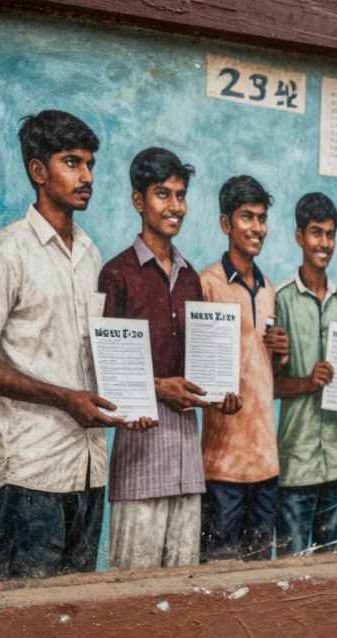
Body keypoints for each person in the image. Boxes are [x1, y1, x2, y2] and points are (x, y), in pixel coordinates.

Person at [0, 110, 122, 579]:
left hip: (90, 469)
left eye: (90, 164)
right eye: (72, 162)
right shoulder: (4, 252)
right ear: (38, 171)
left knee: (79, 620)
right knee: (27, 624)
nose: (87, 176)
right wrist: (62, 398)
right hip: (32, 473)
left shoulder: (93, 255)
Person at [99, 148, 241, 570]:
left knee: (182, 592)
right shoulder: (117, 274)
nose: (175, 206)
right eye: (163, 194)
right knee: (132, 597)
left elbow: (195, 368)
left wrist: (218, 394)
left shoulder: (191, 277)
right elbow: (105, 368)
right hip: (140, 457)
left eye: (181, 195)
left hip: (186, 460)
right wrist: (153, 390)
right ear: (139, 201)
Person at [198, 175, 289, 562]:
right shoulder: (207, 285)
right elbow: (197, 372)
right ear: (226, 224)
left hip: (266, 462)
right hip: (223, 466)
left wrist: (281, 353)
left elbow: (270, 374)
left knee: (259, 581)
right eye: (247, 217)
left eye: (262, 219)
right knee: (219, 577)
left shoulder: (269, 289)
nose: (257, 228)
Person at [273, 192, 337, 556]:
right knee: (293, 573)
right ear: (299, 237)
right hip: (296, 465)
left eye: (330, 234)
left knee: (332, 575)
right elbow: (271, 386)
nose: (324, 243)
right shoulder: (280, 300)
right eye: (315, 233)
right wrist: (308, 382)